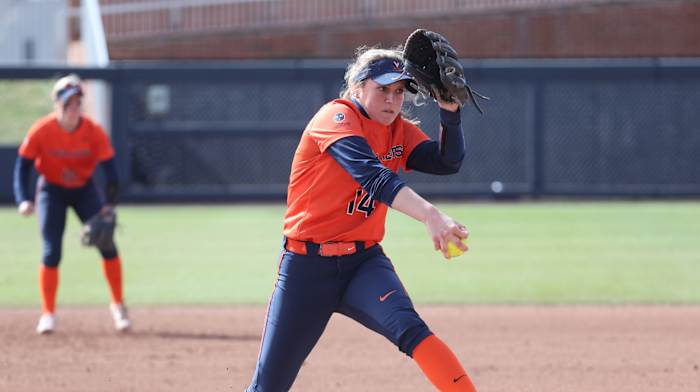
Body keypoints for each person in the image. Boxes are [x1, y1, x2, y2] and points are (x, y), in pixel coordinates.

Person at [245, 47, 477, 391]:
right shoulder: (335, 118)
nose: (392, 99)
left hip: (363, 265)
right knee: (268, 386)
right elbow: (372, 176)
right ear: (357, 88)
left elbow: (446, 161)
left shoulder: (398, 130)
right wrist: (429, 215)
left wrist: (450, 111)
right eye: (382, 89)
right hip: (306, 271)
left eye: (399, 91)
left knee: (412, 330)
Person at [13, 74, 131, 334]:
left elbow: (111, 171)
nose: (74, 108)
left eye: (78, 102)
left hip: (83, 189)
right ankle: (48, 314)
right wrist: (23, 199)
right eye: (69, 103)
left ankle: (118, 306)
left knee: (107, 244)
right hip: (51, 190)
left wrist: (109, 204)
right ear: (58, 105)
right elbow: (22, 166)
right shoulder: (42, 130)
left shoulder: (93, 131)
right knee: (51, 251)